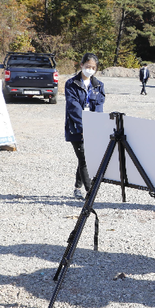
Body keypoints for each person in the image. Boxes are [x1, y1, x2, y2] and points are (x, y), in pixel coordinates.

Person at [65, 53, 106, 200]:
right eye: (88, 66)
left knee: (85, 158)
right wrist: (84, 129)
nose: (90, 69)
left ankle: (77, 188)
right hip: (76, 128)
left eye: (93, 67)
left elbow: (99, 107)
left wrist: (96, 127)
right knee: (84, 158)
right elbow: (73, 108)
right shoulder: (71, 84)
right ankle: (90, 193)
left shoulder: (99, 85)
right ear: (81, 65)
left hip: (92, 128)